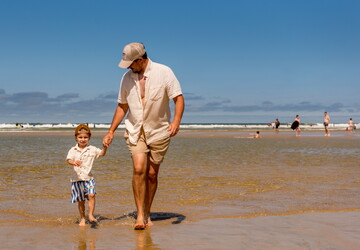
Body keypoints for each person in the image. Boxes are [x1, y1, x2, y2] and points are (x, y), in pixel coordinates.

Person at [102, 42, 185, 230]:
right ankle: (140, 215)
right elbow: (122, 106)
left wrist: (176, 122)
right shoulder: (126, 78)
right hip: (135, 129)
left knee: (152, 174)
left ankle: (147, 211)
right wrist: (111, 130)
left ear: (140, 60)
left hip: (159, 130)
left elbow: (178, 98)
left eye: (131, 63)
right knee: (139, 169)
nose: (129, 67)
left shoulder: (164, 72)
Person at [66, 124, 107, 226]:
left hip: (89, 178)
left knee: (91, 195)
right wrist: (73, 162)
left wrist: (104, 147)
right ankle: (83, 218)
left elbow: (101, 154)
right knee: (80, 201)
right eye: (80, 137)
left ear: (89, 138)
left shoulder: (92, 149)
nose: (83, 139)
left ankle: (90, 215)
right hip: (76, 179)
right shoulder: (73, 150)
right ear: (76, 138)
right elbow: (68, 159)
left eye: (85, 137)